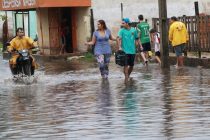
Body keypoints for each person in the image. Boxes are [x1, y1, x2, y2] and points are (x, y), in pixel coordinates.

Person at [117, 18, 139, 83]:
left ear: (127, 23)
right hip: (125, 51)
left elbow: (137, 38)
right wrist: (119, 47)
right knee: (125, 65)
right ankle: (126, 78)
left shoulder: (133, 30)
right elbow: (118, 38)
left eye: (123, 23)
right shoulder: (121, 31)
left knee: (131, 66)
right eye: (122, 23)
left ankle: (128, 76)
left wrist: (139, 45)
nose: (122, 24)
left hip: (132, 51)